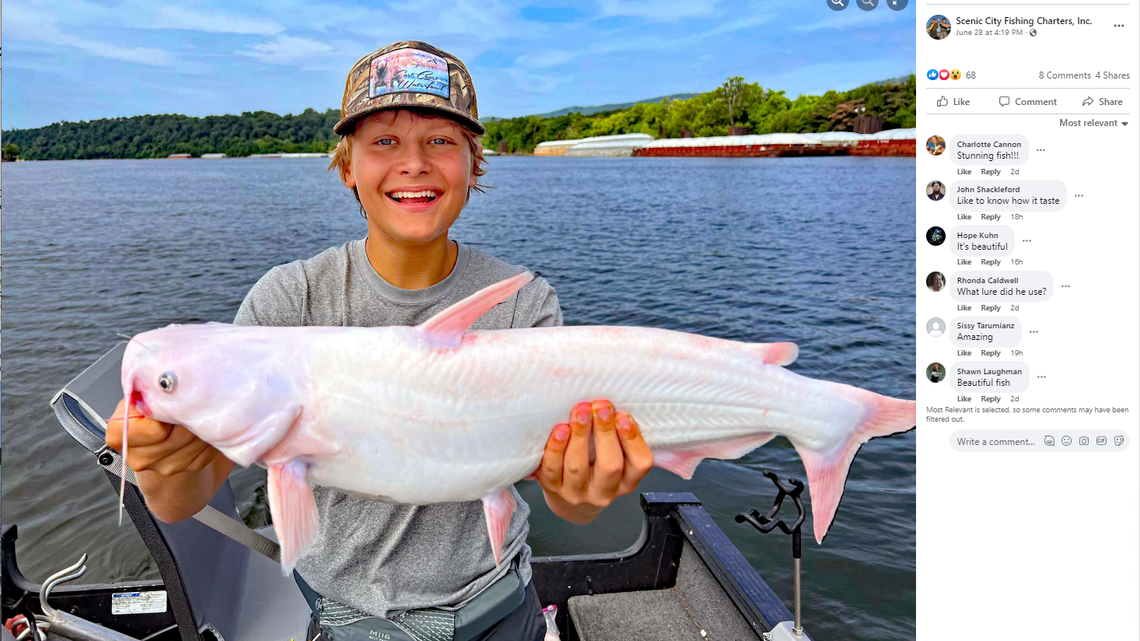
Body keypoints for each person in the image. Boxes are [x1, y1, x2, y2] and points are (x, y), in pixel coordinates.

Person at [104, 40, 655, 641]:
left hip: (500, 606)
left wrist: (587, 490)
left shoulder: (522, 301)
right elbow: (184, 498)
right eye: (383, 142)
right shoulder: (288, 303)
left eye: (441, 141)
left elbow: (565, 496)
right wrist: (160, 467)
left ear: (475, 166)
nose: (413, 162)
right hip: (350, 623)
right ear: (347, 167)